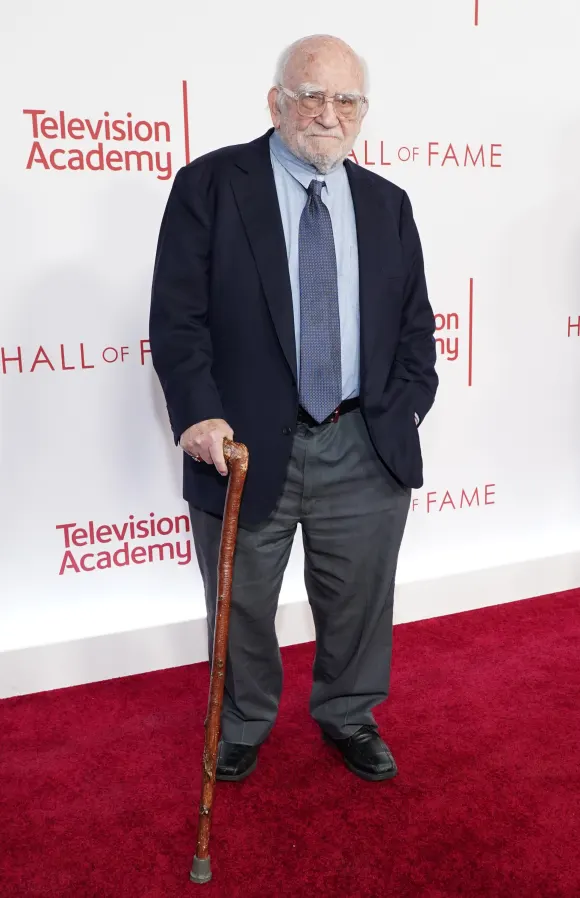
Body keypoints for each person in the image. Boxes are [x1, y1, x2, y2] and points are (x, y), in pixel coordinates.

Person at [149, 34, 437, 783]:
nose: (328, 114)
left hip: (362, 440)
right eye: (311, 95)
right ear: (276, 102)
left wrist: (403, 410)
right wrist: (199, 413)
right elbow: (177, 318)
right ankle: (242, 722)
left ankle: (349, 714)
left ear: (363, 111)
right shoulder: (210, 185)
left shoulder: (388, 204)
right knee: (240, 603)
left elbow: (415, 326)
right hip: (241, 447)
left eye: (346, 99)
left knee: (359, 600)